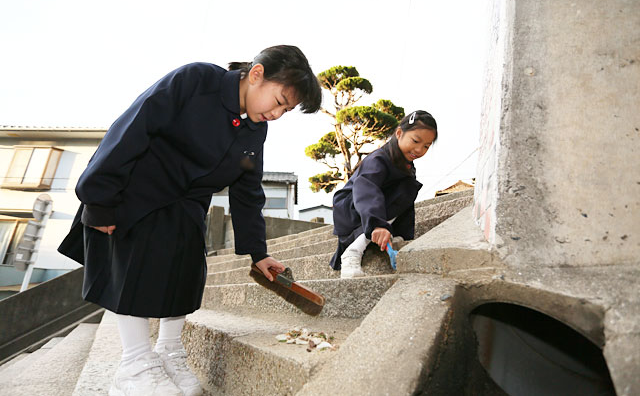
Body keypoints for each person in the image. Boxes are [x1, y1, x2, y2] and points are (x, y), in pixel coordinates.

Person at [58, 45, 322, 396]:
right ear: (257, 74)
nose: (276, 114)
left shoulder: (254, 130)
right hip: (134, 193)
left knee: (186, 273)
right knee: (134, 271)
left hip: (185, 207)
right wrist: (99, 199)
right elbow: (133, 126)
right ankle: (134, 366)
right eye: (278, 101)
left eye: (285, 111)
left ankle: (169, 352)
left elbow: (247, 189)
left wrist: (258, 252)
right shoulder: (196, 80)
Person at [330, 110, 438, 278]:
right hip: (351, 208)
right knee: (404, 188)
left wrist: (402, 235)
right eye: (416, 141)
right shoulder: (378, 159)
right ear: (399, 133)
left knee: (408, 186)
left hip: (369, 213)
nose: (419, 149)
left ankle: (385, 233)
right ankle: (352, 252)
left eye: (426, 146)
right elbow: (366, 188)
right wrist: (377, 224)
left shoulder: (406, 167)